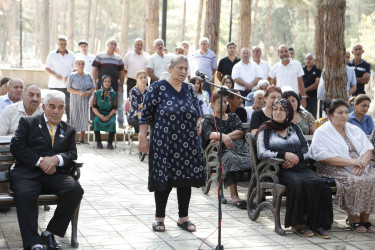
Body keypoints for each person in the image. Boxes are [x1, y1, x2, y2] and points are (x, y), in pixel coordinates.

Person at [138, 55, 205, 233]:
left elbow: (197, 110)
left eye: (186, 68)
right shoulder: (157, 88)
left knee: (185, 181)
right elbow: (145, 115)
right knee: (164, 180)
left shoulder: (190, 89)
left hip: (188, 143)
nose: (183, 71)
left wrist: (199, 120)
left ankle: (183, 217)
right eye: (180, 68)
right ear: (170, 68)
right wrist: (142, 136)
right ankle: (159, 218)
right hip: (164, 143)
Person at [10, 90, 84, 250]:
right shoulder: (28, 123)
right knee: (24, 194)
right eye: (52, 106)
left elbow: (72, 153)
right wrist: (41, 162)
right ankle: (33, 242)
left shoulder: (69, 129)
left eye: (60, 107)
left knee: (75, 190)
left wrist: (56, 159)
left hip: (55, 174)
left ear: (64, 109)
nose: (56, 111)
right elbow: (16, 146)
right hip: (28, 174)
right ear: (44, 107)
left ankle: (50, 232)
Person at [257, 98, 333, 238]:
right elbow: (262, 152)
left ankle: (316, 224)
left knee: (318, 183)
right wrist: (284, 155)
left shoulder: (295, 127)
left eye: (282, 109)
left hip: (298, 167)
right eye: (275, 109)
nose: (278, 112)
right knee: (298, 184)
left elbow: (306, 149)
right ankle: (297, 224)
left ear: (288, 113)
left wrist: (296, 157)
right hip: (277, 169)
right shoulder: (265, 129)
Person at [310, 99, 375, 233]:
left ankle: (365, 217)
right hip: (333, 167)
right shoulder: (322, 132)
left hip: (360, 164)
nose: (344, 115)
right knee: (354, 180)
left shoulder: (353, 129)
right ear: (330, 114)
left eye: (346, 112)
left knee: (372, 178)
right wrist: (352, 162)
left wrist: (363, 162)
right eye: (340, 113)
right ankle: (353, 218)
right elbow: (322, 155)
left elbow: (368, 148)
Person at [203, 92, 252, 209]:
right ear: (213, 104)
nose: (224, 105)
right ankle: (234, 196)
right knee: (230, 158)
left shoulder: (233, 116)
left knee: (253, 159)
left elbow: (241, 131)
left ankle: (253, 196)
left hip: (240, 147)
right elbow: (210, 134)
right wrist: (222, 137)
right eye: (220, 102)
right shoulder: (209, 119)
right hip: (222, 150)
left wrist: (225, 136)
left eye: (225, 102)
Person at [92, 39, 125, 128]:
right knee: (99, 103)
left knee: (119, 104)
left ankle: (121, 123)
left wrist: (121, 85)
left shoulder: (118, 58)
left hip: (115, 84)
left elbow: (122, 73)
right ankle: (96, 123)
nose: (113, 45)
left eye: (115, 44)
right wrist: (94, 83)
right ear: (107, 44)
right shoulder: (100, 56)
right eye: (111, 43)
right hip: (101, 84)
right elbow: (94, 70)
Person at [45, 36, 76, 123]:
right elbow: (47, 68)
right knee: (53, 105)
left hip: (67, 85)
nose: (63, 45)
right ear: (57, 44)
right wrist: (55, 75)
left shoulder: (72, 55)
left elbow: (75, 69)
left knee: (68, 105)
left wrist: (69, 76)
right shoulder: (52, 54)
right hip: (54, 84)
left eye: (64, 44)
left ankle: (69, 123)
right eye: (61, 44)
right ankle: (52, 121)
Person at [67, 58, 95, 143]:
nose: (81, 65)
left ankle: (81, 138)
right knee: (74, 116)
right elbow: (68, 88)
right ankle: (74, 138)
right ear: (76, 65)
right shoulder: (72, 75)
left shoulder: (88, 75)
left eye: (82, 64)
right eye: (79, 64)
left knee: (84, 116)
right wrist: (79, 92)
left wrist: (88, 91)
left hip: (86, 99)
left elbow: (93, 87)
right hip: (75, 99)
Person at [91, 75, 117, 150]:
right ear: (102, 82)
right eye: (105, 81)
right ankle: (98, 142)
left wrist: (108, 116)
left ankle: (110, 143)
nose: (107, 83)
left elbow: (114, 108)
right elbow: (94, 107)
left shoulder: (114, 94)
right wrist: (100, 116)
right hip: (99, 113)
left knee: (112, 122)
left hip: (110, 113)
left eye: (109, 81)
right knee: (96, 121)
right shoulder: (97, 93)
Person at [303, 53, 321, 118]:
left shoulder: (317, 70)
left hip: (312, 98)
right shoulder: (302, 70)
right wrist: (303, 93)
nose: (308, 60)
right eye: (306, 59)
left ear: (314, 60)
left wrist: (306, 90)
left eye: (310, 59)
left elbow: (317, 83)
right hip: (302, 97)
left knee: (312, 117)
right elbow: (298, 83)